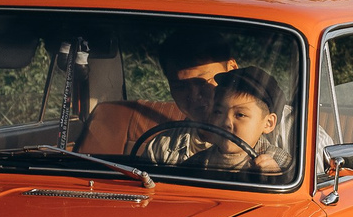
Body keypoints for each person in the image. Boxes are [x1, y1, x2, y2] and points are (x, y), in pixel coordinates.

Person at [78, 35, 240, 155]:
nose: (193, 95)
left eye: (202, 82)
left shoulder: (255, 145)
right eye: (180, 87)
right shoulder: (162, 148)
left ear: (232, 69)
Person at [191, 66, 286, 176]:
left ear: (268, 123)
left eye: (240, 115)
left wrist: (276, 179)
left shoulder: (283, 166)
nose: (226, 123)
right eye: (218, 112)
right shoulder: (195, 164)